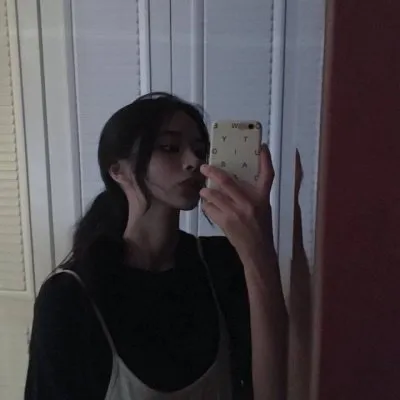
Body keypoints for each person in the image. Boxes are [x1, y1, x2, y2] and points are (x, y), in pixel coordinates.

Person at [24, 92, 287, 400]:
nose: (194, 162)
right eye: (170, 148)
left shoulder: (220, 263)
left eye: (200, 150)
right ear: (118, 170)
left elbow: (271, 391)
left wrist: (258, 253)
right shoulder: (70, 295)